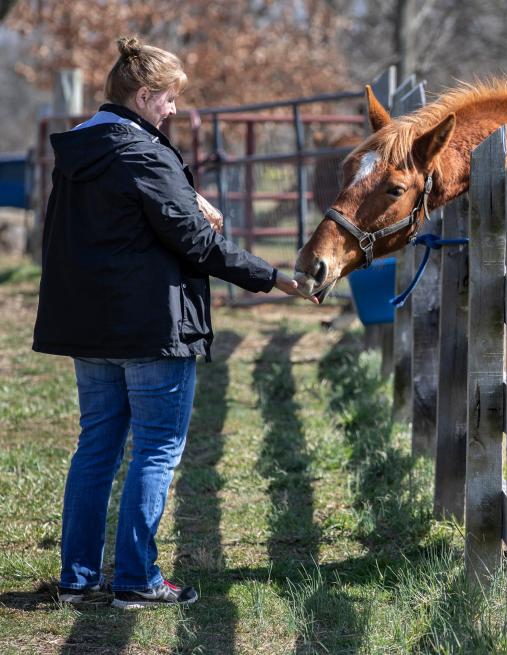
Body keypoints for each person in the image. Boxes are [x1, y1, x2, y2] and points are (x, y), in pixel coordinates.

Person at [32, 36, 315, 609]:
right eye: (168, 100)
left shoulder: (80, 155)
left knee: (96, 448)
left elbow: (123, 221)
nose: (174, 111)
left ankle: (78, 580)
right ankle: (137, 579)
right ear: (142, 95)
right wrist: (272, 276)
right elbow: (192, 242)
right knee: (156, 449)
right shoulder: (143, 154)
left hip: (89, 327)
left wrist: (188, 198)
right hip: (150, 328)